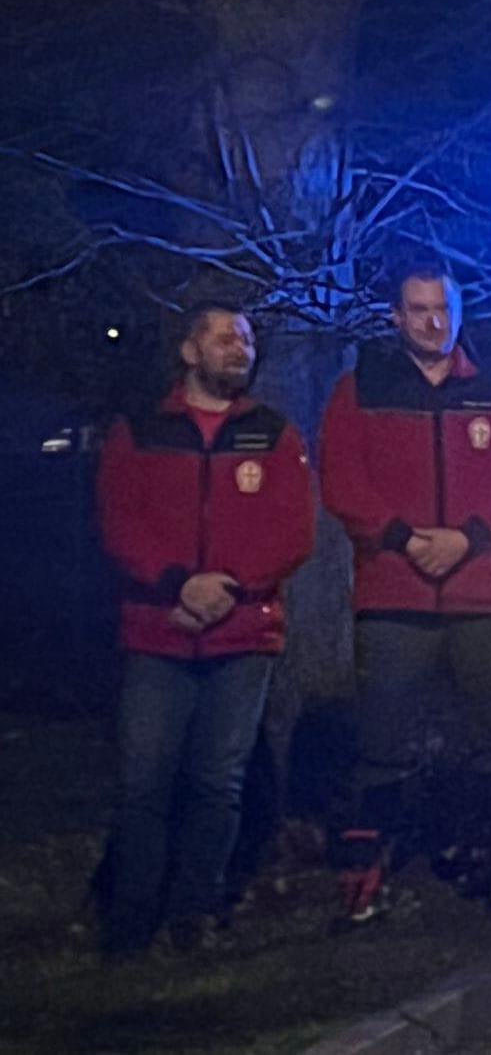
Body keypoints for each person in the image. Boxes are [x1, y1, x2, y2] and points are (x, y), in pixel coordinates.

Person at [319, 258, 491, 926]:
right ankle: (367, 868)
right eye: (418, 310)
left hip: (481, 589)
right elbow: (342, 478)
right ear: (397, 317)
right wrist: (402, 538)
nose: (432, 322)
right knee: (384, 737)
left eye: (442, 309)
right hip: (394, 587)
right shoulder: (360, 389)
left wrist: (469, 537)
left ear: (459, 312)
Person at [95, 303, 316, 958]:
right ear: (190, 352)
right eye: (222, 338)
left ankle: (193, 911)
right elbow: (119, 521)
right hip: (157, 630)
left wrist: (230, 588)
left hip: (242, 635)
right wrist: (177, 585)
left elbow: (292, 530)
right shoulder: (140, 431)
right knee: (143, 782)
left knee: (218, 782)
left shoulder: (273, 435)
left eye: (244, 338)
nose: (237, 348)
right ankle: (131, 918)